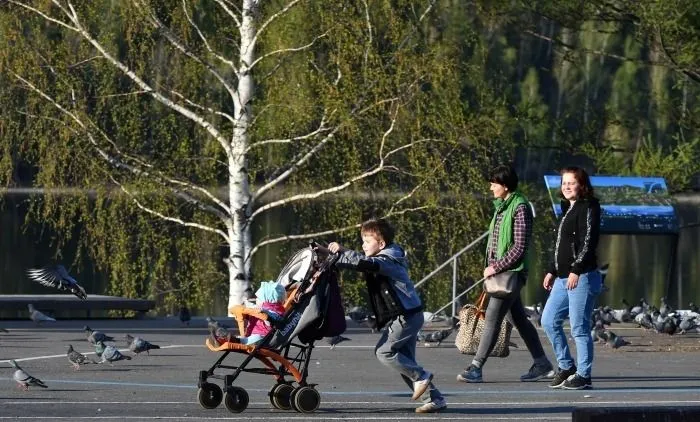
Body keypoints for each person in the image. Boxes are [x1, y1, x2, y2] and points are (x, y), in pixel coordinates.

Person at [320, 218, 447, 414]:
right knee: (404, 361)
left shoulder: (388, 260)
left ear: (381, 244)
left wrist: (342, 252)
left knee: (384, 352)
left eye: (367, 241)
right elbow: (359, 262)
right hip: (409, 315)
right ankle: (434, 398)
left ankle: (422, 376)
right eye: (362, 241)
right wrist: (332, 254)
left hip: (407, 317)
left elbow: (364, 263)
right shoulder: (384, 257)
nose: (363, 245)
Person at [457, 165, 553, 383]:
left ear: (505, 186)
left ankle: (476, 367)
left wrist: (496, 267)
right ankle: (542, 364)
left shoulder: (520, 207)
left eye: (494, 184)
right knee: (518, 318)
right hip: (500, 275)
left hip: (510, 273)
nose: (491, 188)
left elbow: (519, 247)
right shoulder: (502, 207)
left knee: (492, 318)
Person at [541, 166, 602, 390]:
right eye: (564, 183)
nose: (566, 186)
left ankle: (584, 375)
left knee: (579, 328)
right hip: (562, 277)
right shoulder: (567, 207)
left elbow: (588, 242)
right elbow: (561, 245)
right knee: (548, 320)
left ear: (582, 185)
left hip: (582, 277)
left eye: (571, 182)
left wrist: (576, 269)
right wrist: (552, 269)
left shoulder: (589, 207)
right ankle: (566, 367)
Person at [209, 281, 286, 345]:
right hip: (252, 335)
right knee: (244, 338)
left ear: (268, 300)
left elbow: (274, 319)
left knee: (253, 338)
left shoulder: (273, 311)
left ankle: (227, 338)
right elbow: (254, 312)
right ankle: (222, 337)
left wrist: (265, 313)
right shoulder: (262, 308)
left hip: (262, 338)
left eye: (258, 298)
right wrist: (246, 309)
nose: (256, 299)